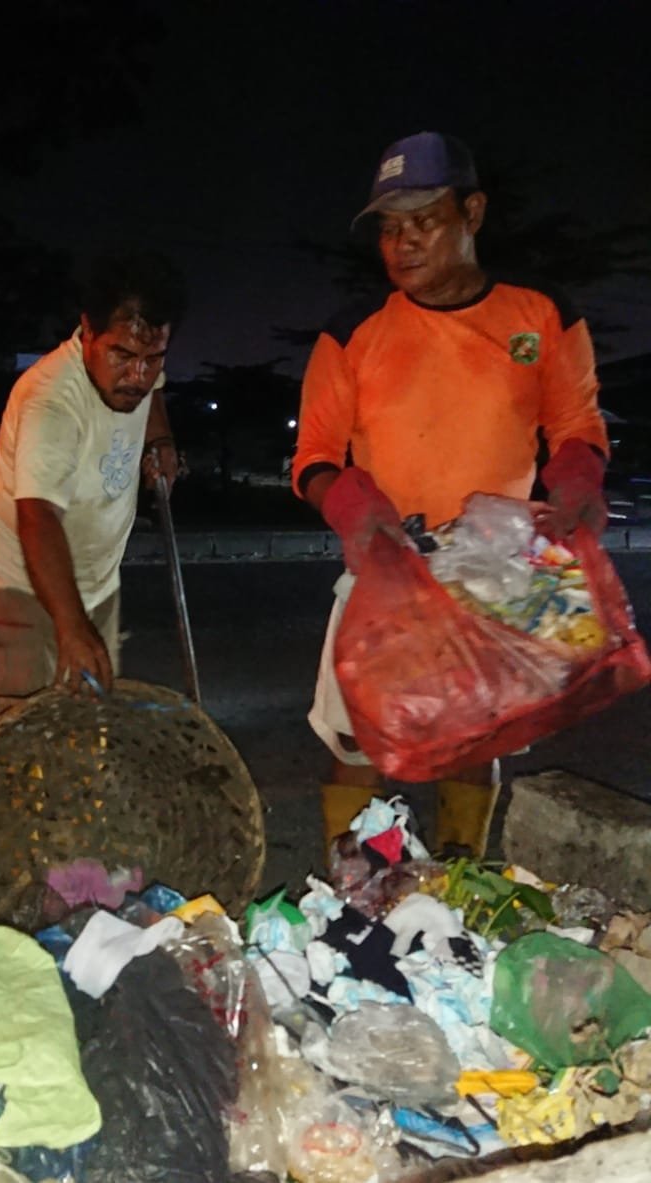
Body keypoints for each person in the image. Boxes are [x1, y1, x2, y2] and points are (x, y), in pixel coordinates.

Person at [293, 131, 609, 858]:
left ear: (472, 212)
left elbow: (576, 423)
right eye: (389, 228)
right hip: (386, 565)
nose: (402, 243)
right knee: (359, 737)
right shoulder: (353, 334)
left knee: (473, 736)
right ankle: (356, 889)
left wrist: (578, 475)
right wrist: (347, 502)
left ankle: (460, 882)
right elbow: (312, 455)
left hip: (497, 566)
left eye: (423, 221)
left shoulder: (540, 316)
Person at [0, 252, 187, 723]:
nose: (138, 377)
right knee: (24, 727)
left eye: (153, 358)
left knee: (90, 717)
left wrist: (160, 437)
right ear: (87, 331)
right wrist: (70, 625)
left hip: (96, 573)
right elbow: (37, 515)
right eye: (121, 356)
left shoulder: (141, 365)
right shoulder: (51, 401)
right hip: (18, 572)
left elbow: (156, 387)